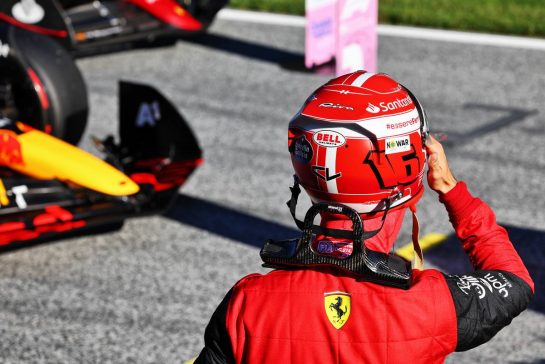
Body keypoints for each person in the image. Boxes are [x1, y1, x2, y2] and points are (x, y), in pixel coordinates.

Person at [195, 71, 534, 363]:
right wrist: (450, 189)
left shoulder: (247, 302)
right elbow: (514, 282)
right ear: (408, 168)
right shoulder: (429, 306)